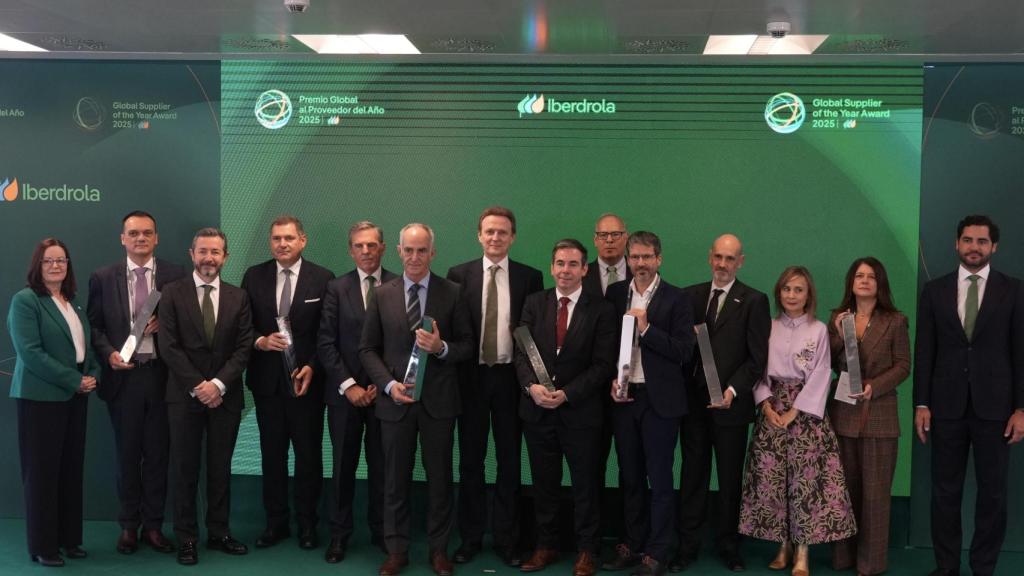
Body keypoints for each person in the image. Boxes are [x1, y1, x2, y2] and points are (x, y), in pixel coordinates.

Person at [359, 223, 474, 576]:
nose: (414, 257)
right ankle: (397, 550)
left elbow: (467, 346)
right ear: (398, 251)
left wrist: (440, 348)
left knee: (440, 478)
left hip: (438, 404)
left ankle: (439, 550)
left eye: (421, 250)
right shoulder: (382, 294)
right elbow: (367, 349)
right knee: (394, 479)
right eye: (408, 250)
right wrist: (388, 385)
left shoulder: (453, 292)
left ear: (432, 253)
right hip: (395, 403)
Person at [914, 215, 1024, 576]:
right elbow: (925, 351)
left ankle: (983, 568)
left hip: (997, 410)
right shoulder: (935, 291)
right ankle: (946, 567)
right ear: (956, 244)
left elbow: (1021, 352)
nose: (973, 247)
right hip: (945, 408)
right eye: (967, 240)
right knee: (944, 494)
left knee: (992, 496)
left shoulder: (1015, 291)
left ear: (994, 247)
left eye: (981, 241)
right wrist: (922, 403)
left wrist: (1021, 408)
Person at [739, 266, 856, 576]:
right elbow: (757, 367)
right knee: (774, 480)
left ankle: (803, 550)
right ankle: (782, 545)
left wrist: (796, 410)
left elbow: (822, 372)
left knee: (805, 482)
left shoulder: (818, 330)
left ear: (808, 295)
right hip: (772, 411)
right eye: (787, 289)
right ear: (779, 292)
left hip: (806, 416)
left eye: (798, 290)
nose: (791, 295)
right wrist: (764, 403)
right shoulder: (768, 327)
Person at [447, 207, 543, 567]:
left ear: (513, 237)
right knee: (471, 462)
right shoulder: (458, 276)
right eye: (489, 231)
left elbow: (533, 334)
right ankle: (470, 537)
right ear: (479, 235)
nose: (495, 238)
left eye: (503, 232)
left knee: (509, 462)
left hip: (510, 380)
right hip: (470, 380)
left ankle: (507, 539)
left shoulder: (529, 278)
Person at [516, 238, 617, 576]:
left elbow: (604, 365)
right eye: (560, 263)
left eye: (573, 264)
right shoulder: (534, 303)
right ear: (552, 267)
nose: (565, 270)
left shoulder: (601, 309)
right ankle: (546, 546)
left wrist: (568, 393)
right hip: (537, 411)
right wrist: (531, 387)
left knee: (585, 484)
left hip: (581, 413)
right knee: (544, 484)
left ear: (585, 270)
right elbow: (522, 353)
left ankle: (587, 551)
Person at [87, 210, 185, 555]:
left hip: (162, 378)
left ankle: (154, 526)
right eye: (133, 233)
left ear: (156, 238)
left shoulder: (175, 275)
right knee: (127, 456)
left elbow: (187, 328)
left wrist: (167, 325)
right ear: (122, 238)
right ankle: (129, 526)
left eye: (147, 233)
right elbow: (95, 327)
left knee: (159, 456)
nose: (140, 238)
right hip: (123, 380)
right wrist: (109, 354)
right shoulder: (102, 277)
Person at [158, 227, 254, 565]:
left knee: (220, 468)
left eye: (215, 252)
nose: (209, 258)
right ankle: (186, 537)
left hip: (225, 398)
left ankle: (219, 532)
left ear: (225, 257)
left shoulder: (238, 297)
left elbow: (244, 349)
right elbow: (167, 346)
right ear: (192, 254)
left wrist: (219, 385)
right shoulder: (171, 293)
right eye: (203, 251)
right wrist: (200, 386)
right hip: (184, 397)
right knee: (185, 469)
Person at [675, 233, 770, 573]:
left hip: (732, 407)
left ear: (740, 262)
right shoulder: (689, 296)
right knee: (692, 477)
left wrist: (732, 390)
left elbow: (757, 358)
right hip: (694, 408)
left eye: (730, 259)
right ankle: (686, 547)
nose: (723, 264)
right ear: (709, 257)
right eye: (718, 257)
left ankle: (730, 547)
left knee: (729, 482)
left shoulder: (755, 301)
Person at [604, 232, 694, 576]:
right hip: (624, 400)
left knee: (659, 478)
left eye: (647, 257)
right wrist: (612, 379)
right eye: (635, 257)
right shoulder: (615, 294)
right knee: (630, 478)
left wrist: (648, 328)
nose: (640, 263)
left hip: (661, 403)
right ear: (628, 260)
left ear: (659, 259)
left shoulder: (677, 299)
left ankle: (656, 552)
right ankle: (632, 543)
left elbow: (685, 351)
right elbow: (607, 344)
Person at [242, 215, 333, 550]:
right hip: (267, 386)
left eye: (289, 238)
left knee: (309, 458)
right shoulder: (254, 276)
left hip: (306, 385)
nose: (282, 244)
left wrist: (312, 366)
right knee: (272, 456)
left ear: (303, 240)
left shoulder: (323, 278)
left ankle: (308, 525)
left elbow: (329, 334)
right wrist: (259, 341)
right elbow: (241, 325)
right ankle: (275, 524)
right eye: (277, 238)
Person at [8, 238, 100, 567]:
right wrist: (74, 380)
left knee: (70, 472)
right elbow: (30, 353)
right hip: (40, 398)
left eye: (61, 260)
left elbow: (84, 349)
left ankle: (69, 540)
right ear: (38, 265)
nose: (56, 266)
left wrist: (92, 374)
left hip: (74, 398)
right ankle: (44, 546)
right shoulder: (26, 301)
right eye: (49, 261)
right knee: (42, 474)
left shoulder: (72, 303)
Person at [826, 257, 910, 576]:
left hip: (880, 416)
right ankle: (842, 557)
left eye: (871, 276)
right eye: (859, 275)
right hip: (844, 413)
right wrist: (836, 333)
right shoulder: (839, 318)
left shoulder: (895, 320)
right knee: (844, 491)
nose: (864, 280)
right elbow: (829, 363)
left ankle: (870, 563)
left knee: (875, 495)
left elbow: (903, 365)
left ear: (880, 284)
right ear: (851, 282)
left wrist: (877, 386)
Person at [318, 221, 395, 562]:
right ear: (350, 250)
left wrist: (382, 384)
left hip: (385, 396)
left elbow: (402, 344)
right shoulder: (337, 288)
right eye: (359, 246)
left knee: (383, 469)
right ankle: (339, 536)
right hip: (344, 397)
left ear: (383, 247)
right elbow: (326, 343)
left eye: (372, 245)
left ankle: (383, 532)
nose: (366, 251)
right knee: (342, 468)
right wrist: (349, 386)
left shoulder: (399, 284)